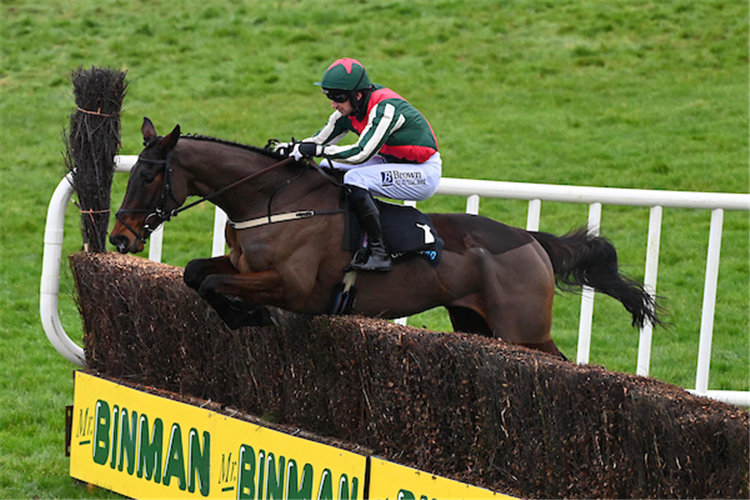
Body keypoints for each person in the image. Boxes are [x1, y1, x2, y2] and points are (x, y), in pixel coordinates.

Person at [281, 58, 442, 273]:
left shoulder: (385, 109)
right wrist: (290, 148)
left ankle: (379, 252)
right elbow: (318, 141)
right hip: (391, 160)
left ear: (357, 95)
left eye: (338, 97)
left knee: (355, 178)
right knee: (329, 166)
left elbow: (360, 153)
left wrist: (315, 150)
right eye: (330, 97)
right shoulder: (349, 111)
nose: (333, 104)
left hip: (423, 172)